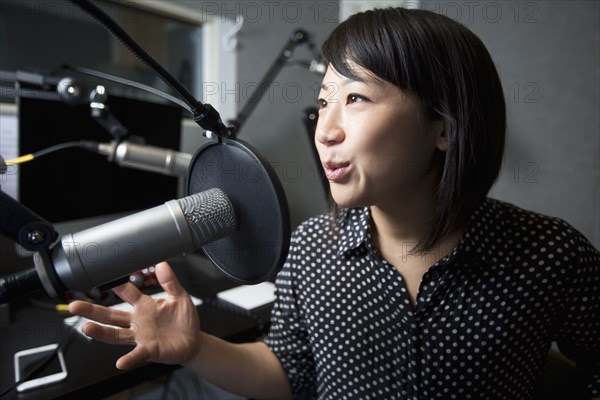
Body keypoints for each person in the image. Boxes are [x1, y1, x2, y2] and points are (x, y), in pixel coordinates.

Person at [69, 7, 600, 400]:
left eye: (355, 98)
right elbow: (288, 375)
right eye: (323, 102)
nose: (326, 130)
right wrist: (195, 347)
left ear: (443, 125)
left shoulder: (551, 255)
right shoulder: (311, 249)